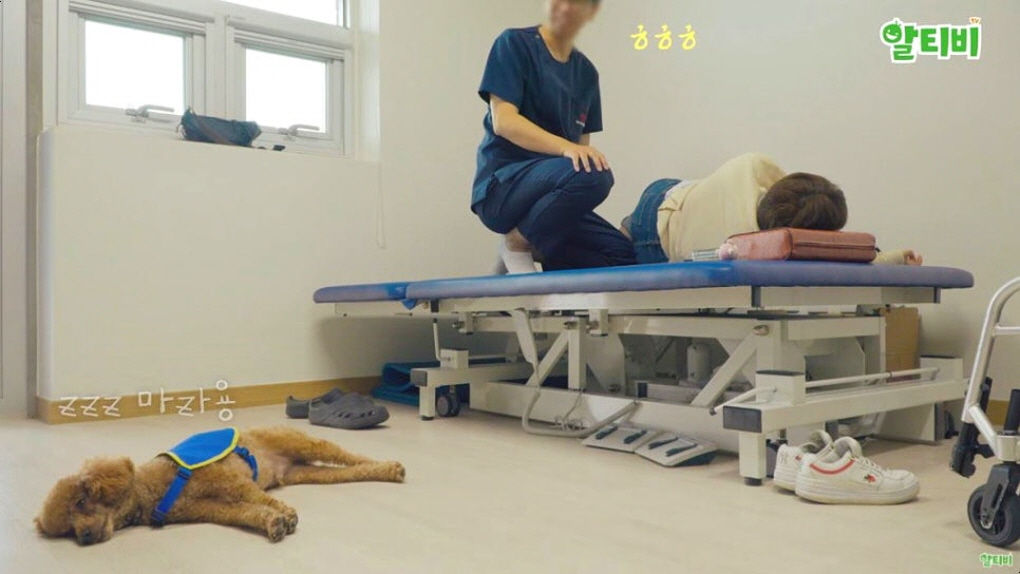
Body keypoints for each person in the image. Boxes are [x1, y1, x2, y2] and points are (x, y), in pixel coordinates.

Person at [471, 0, 636, 275]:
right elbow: (504, 122)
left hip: (549, 196)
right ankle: (517, 244)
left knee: (621, 254)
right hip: (502, 187)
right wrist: (566, 149)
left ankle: (531, 254)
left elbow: (583, 153)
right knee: (596, 176)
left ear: (592, 11)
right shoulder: (514, 44)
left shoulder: (586, 73)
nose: (566, 7)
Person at [620, 152, 924, 265]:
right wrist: (896, 257)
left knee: (634, 225)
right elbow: (837, 256)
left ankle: (625, 229)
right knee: (628, 238)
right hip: (654, 239)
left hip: (670, 191)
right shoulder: (754, 251)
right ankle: (625, 232)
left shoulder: (753, 165)